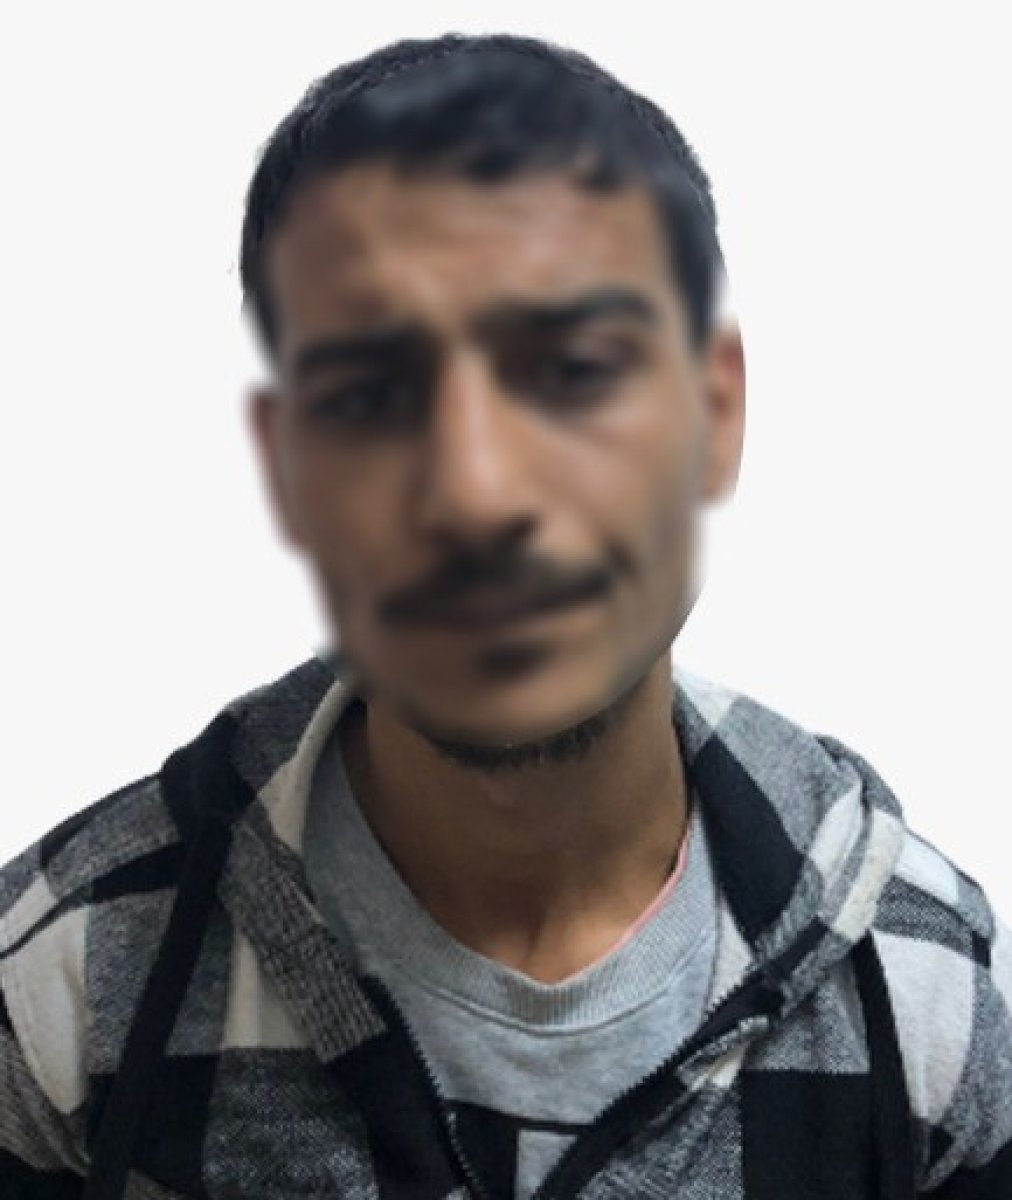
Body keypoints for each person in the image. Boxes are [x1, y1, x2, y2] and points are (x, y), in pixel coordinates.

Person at [1, 31, 1009, 1200]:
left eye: (572, 370)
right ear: (286, 466)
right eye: (372, 393)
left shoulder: (921, 998)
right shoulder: (67, 983)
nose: (477, 492)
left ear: (715, 412)